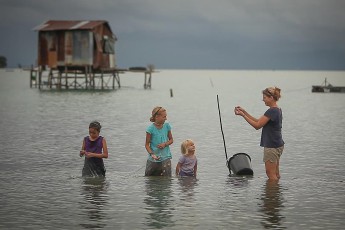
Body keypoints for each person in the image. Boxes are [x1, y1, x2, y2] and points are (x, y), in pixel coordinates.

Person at [234, 87, 284, 181]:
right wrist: (244, 112)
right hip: (278, 144)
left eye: (265, 97)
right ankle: (276, 192)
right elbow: (259, 121)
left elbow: (257, 126)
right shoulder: (277, 109)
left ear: (271, 98)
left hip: (272, 146)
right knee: (276, 173)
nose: (263, 100)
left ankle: (272, 195)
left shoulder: (272, 111)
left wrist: (243, 115)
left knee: (270, 173)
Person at [145, 106, 173, 176]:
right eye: (164, 117)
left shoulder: (167, 126)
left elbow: (171, 140)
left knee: (167, 180)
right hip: (153, 159)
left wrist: (165, 144)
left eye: (166, 116)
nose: (166, 118)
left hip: (166, 158)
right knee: (150, 180)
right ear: (157, 117)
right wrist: (152, 155)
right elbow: (146, 145)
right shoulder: (150, 129)